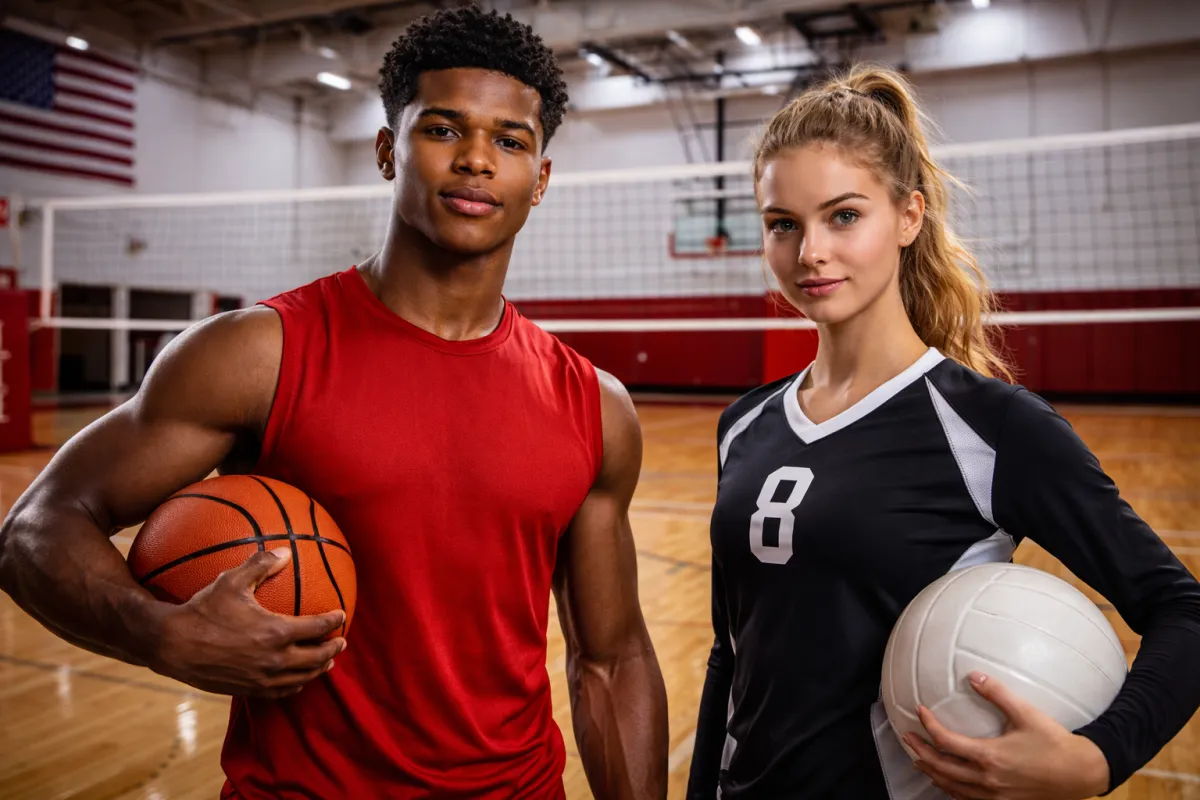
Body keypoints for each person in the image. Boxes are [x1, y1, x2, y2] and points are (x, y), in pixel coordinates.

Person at [0, 7, 668, 799]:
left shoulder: (593, 405)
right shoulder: (257, 355)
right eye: (443, 130)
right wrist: (159, 634)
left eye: (511, 141)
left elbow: (613, 659)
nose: (477, 160)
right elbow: (37, 528)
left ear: (541, 179)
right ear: (388, 150)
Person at [686, 65, 1200, 799]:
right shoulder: (744, 426)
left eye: (843, 216)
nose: (809, 253)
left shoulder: (990, 427)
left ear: (909, 217)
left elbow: (1183, 611)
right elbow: (730, 654)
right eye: (782, 224)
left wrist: (1098, 759)